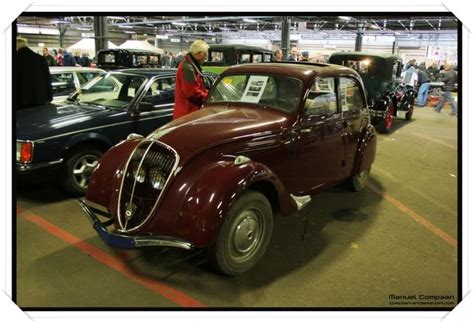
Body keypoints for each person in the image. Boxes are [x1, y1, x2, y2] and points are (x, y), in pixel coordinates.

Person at [173, 40, 209, 120]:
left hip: (187, 113)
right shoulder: (188, 68)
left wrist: (207, 93)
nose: (206, 57)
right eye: (205, 54)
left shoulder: (189, 65)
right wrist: (209, 96)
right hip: (187, 114)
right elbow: (193, 93)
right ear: (200, 54)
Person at [15, 37, 53, 110]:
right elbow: (48, 79)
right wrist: (50, 97)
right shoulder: (40, 58)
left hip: (20, 102)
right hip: (40, 99)